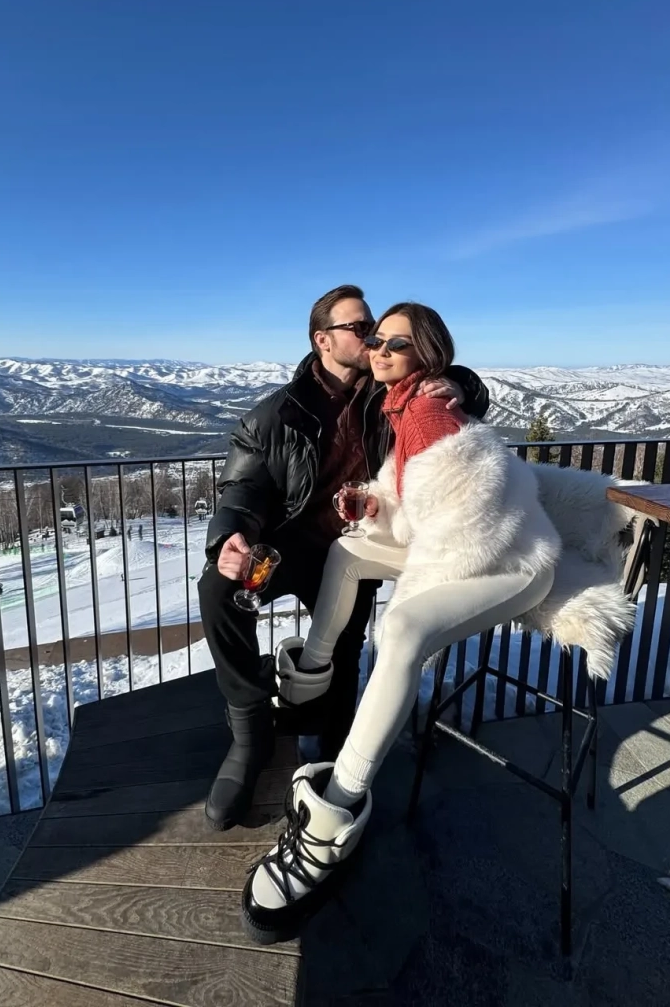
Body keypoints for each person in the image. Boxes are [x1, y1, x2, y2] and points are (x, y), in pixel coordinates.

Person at [240, 302, 561, 945]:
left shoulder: (428, 414)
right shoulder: (401, 404)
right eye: (376, 340)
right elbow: (412, 499)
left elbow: (464, 532)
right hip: (458, 540)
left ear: (427, 354)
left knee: (404, 631)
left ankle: (334, 815)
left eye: (396, 343)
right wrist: (372, 503)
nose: (380, 350)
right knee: (349, 550)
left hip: (512, 558)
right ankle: (311, 677)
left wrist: (409, 608)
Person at [199, 285, 491, 831]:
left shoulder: (389, 393)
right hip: (287, 545)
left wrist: (459, 384)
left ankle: (334, 748)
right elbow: (244, 489)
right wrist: (230, 538)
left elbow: (453, 382)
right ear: (323, 340)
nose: (373, 339)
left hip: (352, 546)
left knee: (347, 643)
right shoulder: (276, 414)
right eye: (361, 330)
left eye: (376, 329)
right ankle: (250, 732)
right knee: (217, 590)